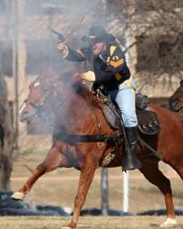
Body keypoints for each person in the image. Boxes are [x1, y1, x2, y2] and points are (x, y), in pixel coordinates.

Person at [57, 25, 141, 171]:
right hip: (104, 90)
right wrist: (64, 48)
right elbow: (75, 55)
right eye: (91, 41)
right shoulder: (90, 50)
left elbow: (111, 73)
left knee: (128, 117)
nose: (92, 44)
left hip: (121, 88)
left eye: (96, 41)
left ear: (105, 42)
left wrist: (87, 75)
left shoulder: (116, 52)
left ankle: (131, 154)